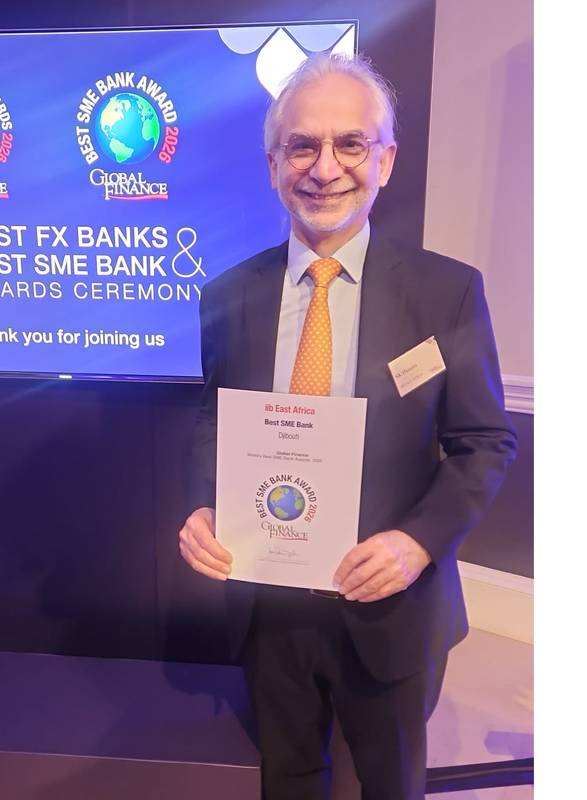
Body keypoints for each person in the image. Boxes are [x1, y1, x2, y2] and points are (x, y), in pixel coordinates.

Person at [178, 52, 518, 800]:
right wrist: (206, 505)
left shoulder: (446, 293)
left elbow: (484, 442)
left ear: (385, 160)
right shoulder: (227, 297)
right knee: (289, 781)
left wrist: (417, 543)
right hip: (268, 606)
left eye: (351, 144)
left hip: (392, 605)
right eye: (302, 145)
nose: (325, 168)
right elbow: (215, 419)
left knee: (392, 785)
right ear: (274, 165)